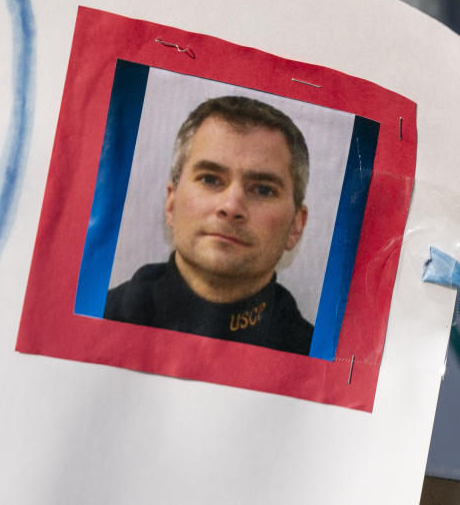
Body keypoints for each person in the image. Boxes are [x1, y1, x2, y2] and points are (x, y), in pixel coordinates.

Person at [103, 95, 315, 355]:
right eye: (210, 179)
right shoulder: (94, 320)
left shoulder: (322, 368)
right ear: (171, 204)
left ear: (295, 226)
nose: (231, 207)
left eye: (262, 189)